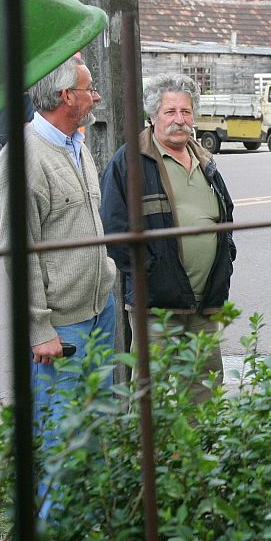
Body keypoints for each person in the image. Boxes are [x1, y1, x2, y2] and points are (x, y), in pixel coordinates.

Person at [0, 57, 118, 447]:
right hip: (61, 328)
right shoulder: (22, 160)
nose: (95, 97)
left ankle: (96, 510)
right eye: (89, 89)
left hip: (100, 313)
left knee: (98, 433)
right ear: (66, 97)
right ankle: (57, 512)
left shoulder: (76, 144)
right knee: (61, 442)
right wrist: (39, 329)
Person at [100, 73, 235, 401]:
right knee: (154, 397)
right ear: (152, 115)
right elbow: (115, 230)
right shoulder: (131, 160)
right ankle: (151, 455)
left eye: (186, 112)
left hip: (205, 304)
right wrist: (151, 274)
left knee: (205, 395)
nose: (179, 120)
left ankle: (200, 452)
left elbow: (226, 217)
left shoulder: (205, 159)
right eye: (170, 112)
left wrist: (225, 259)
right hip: (157, 306)